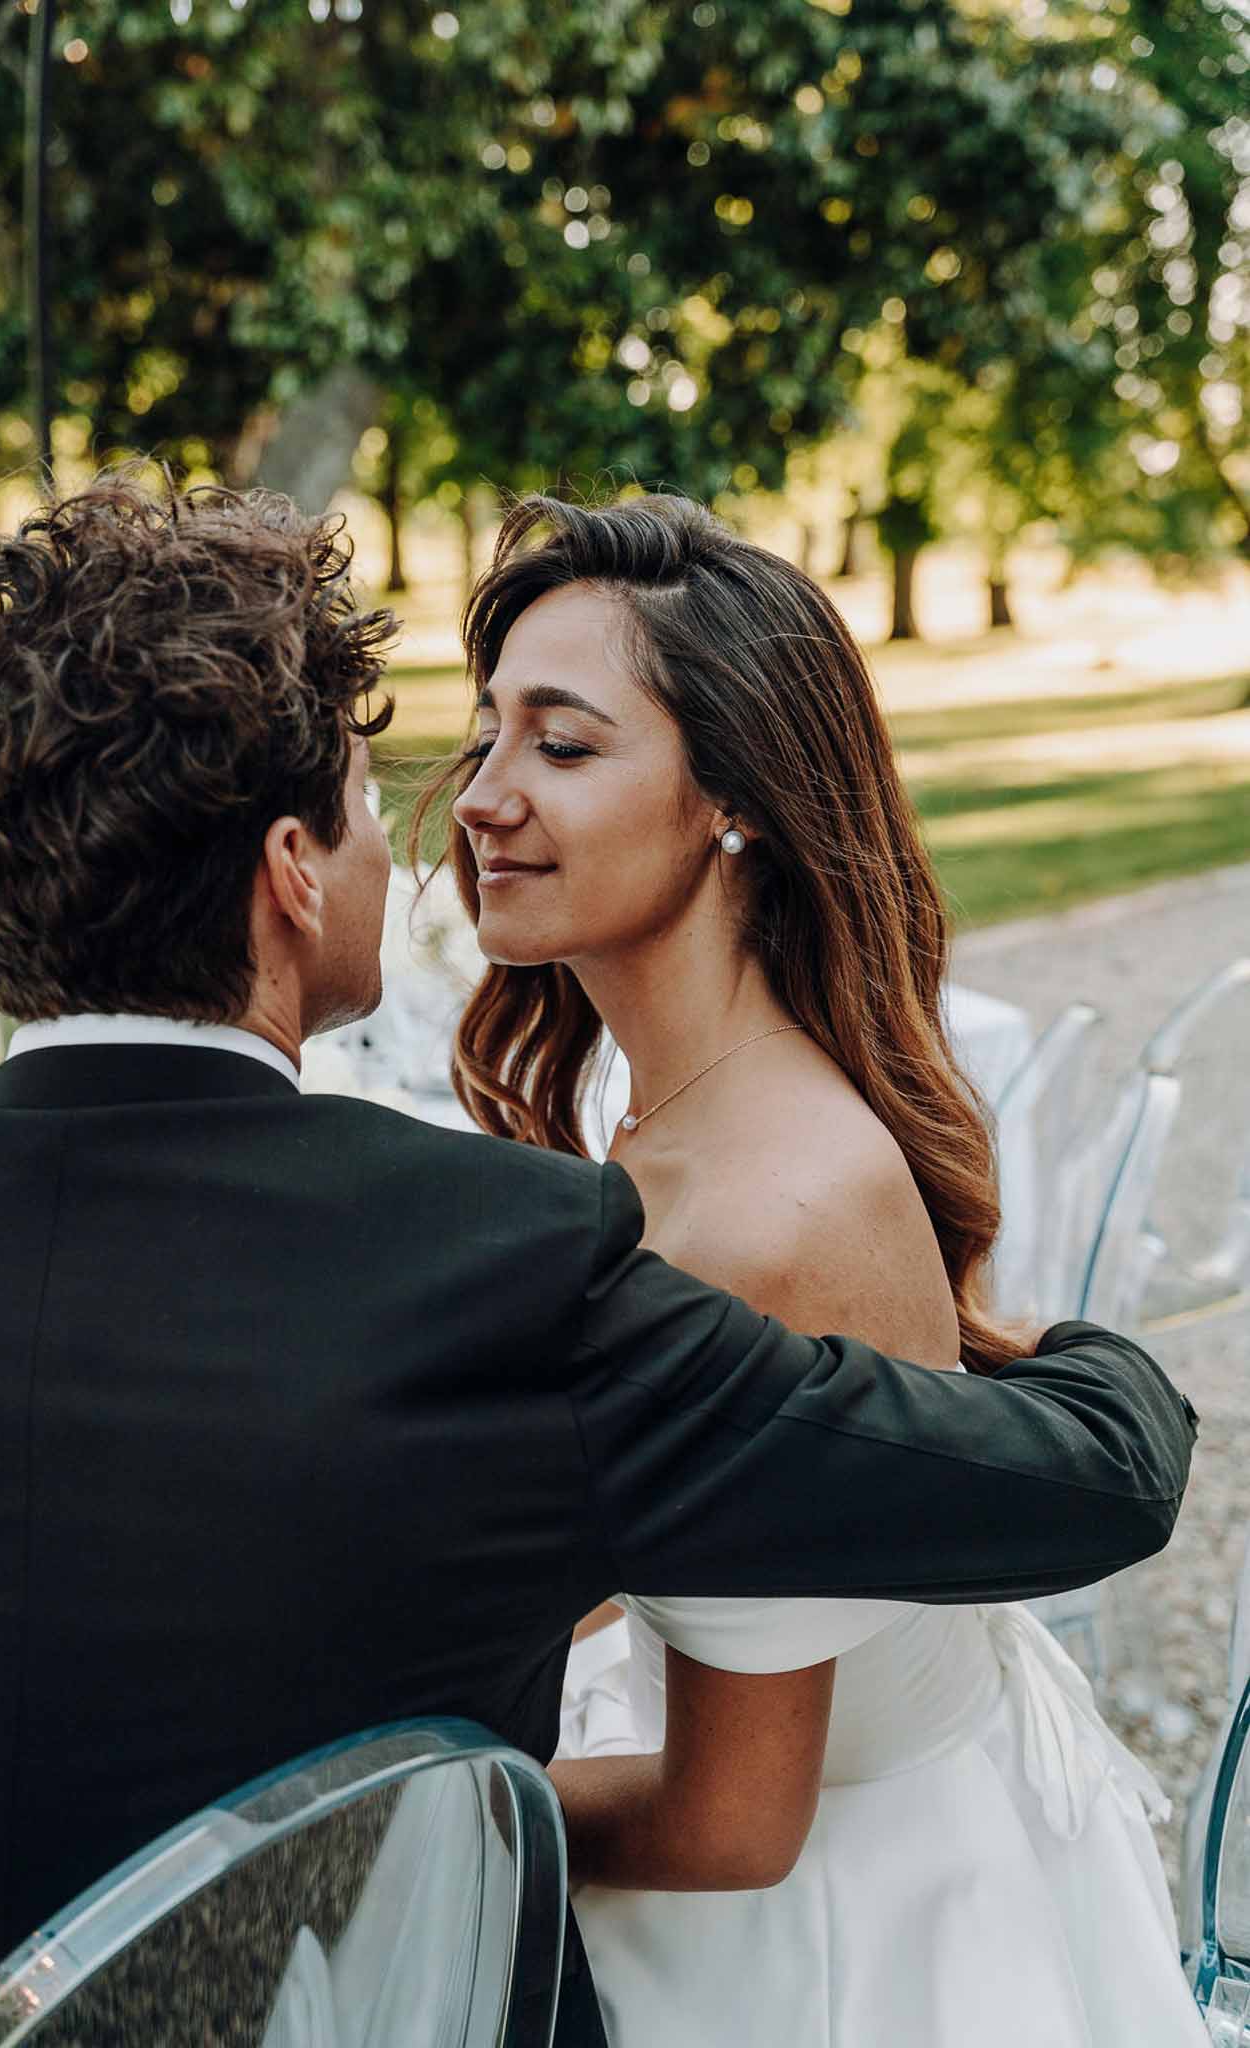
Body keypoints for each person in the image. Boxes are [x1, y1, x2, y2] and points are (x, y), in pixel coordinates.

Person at [0, 474, 1195, 2048]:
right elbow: (1081, 1480)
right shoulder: (495, 1258)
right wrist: (1084, 1360)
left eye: (555, 742)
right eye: (410, 776)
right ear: (292, 870)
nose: (468, 804)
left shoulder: (652, 1228)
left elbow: (723, 1792)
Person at [431, 491, 1207, 2046]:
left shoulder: (753, 1225)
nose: (482, 797)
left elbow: (731, 1831)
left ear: (733, 802)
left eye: (561, 747)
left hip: (823, 1947)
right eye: (488, 734)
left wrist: (429, 1826)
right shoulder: (695, 1109)